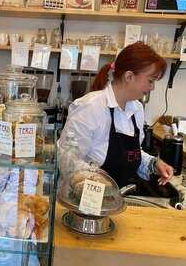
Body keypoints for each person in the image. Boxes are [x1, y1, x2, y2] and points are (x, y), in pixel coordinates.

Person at [59, 42, 173, 189]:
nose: (152, 87)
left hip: (119, 199)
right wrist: (95, 179)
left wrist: (153, 163)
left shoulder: (136, 109)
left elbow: (131, 155)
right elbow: (66, 159)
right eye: (150, 81)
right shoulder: (90, 107)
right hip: (86, 200)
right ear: (129, 76)